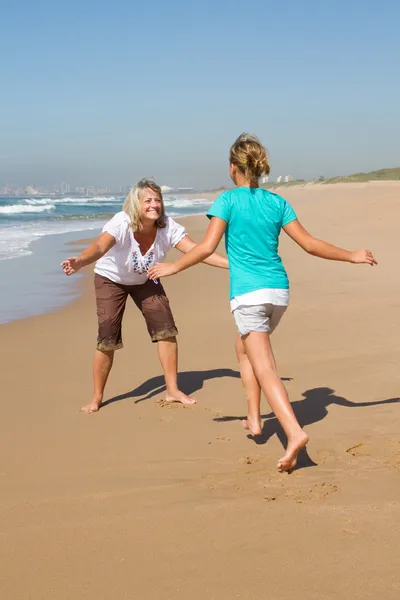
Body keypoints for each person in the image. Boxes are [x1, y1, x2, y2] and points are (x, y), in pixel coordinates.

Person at [148, 134, 377, 472]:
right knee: (244, 350)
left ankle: (294, 433)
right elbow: (310, 244)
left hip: (249, 295)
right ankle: (254, 419)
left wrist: (173, 266)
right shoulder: (276, 202)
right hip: (278, 293)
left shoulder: (227, 201)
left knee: (265, 366)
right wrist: (351, 255)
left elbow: (207, 247)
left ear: (232, 168)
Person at [61, 178, 228, 414]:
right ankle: (96, 397)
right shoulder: (122, 222)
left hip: (146, 278)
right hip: (111, 280)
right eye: (147, 200)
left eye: (157, 200)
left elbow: (199, 251)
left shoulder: (167, 227)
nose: (154, 205)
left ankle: (172, 390)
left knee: (166, 329)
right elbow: (99, 247)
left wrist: (232, 264)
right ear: (135, 204)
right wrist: (80, 261)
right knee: (107, 336)